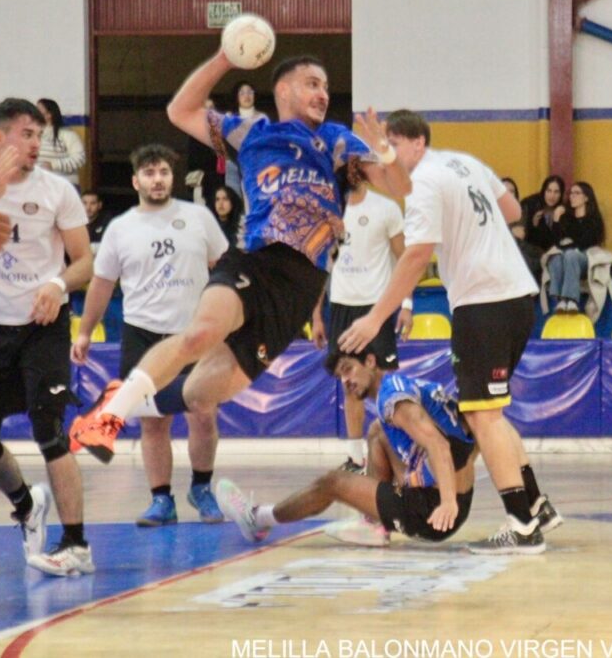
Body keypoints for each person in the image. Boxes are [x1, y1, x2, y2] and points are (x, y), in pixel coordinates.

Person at [70, 51, 411, 463]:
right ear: (283, 90)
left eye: (325, 86)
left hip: (300, 285)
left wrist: (387, 155)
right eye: (312, 84)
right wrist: (224, 58)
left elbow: (400, 189)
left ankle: (118, 400)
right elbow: (180, 110)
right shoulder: (252, 131)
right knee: (199, 335)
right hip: (255, 258)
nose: (322, 93)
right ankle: (107, 421)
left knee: (199, 394)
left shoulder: (339, 140)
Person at [338, 109, 562, 555]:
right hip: (517, 295)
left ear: (416, 144)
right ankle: (536, 505)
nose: (388, 166)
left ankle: (521, 525)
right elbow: (513, 210)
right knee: (488, 412)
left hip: (483, 303)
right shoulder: (463, 162)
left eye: (392, 149)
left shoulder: (424, 182)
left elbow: (416, 257)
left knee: (482, 417)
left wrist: (374, 317)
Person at [72, 144, 229, 527]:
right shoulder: (120, 228)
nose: (157, 179)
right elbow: (102, 284)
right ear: (135, 180)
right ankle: (161, 499)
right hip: (143, 334)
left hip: (195, 332)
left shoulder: (199, 218)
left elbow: (224, 268)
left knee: (203, 414)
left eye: (163, 172)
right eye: (149, 173)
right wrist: (86, 332)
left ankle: (202, 487)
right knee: (152, 422)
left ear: (172, 178)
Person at [217, 348, 490, 546]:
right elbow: (470, 437)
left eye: (348, 369)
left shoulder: (391, 395)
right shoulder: (409, 386)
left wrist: (447, 502)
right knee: (378, 431)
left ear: (371, 361)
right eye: (340, 376)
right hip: (452, 500)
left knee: (332, 482)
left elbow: (439, 445)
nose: (345, 380)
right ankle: (374, 526)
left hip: (433, 512)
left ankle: (257, 519)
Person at [0, 98, 95, 576]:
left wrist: (57, 284)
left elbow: (86, 262)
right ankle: (28, 505)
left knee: (48, 427)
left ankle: (76, 545)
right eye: (26, 134)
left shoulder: (58, 191)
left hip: (42, 327)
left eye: (39, 135)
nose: (35, 144)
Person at [310, 174, 412, 473]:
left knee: (385, 384)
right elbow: (320, 267)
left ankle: (397, 450)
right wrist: (317, 314)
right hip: (341, 307)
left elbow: (405, 258)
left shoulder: (386, 208)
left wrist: (406, 304)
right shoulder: (326, 212)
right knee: (349, 384)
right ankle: (356, 458)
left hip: (377, 307)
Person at [546, 181, 607, 314]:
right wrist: (556, 219)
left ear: (586, 197)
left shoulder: (593, 219)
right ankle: (560, 299)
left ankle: (571, 299)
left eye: (576, 193)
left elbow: (585, 242)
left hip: (586, 257)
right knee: (555, 257)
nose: (572, 196)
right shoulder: (567, 218)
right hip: (566, 255)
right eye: (571, 193)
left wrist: (568, 244)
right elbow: (557, 242)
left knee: (570, 254)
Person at [36, 98, 87, 187]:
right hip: (40, 185)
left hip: (64, 184)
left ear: (49, 115)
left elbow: (80, 158)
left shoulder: (67, 134)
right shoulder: (34, 134)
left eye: (38, 110)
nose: (34, 114)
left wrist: (53, 165)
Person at [522, 175, 565, 253]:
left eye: (556, 192)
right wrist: (534, 226)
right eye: (549, 191)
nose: (552, 196)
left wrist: (556, 220)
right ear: (543, 191)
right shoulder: (533, 207)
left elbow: (557, 243)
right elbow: (530, 241)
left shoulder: (563, 211)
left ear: (561, 194)